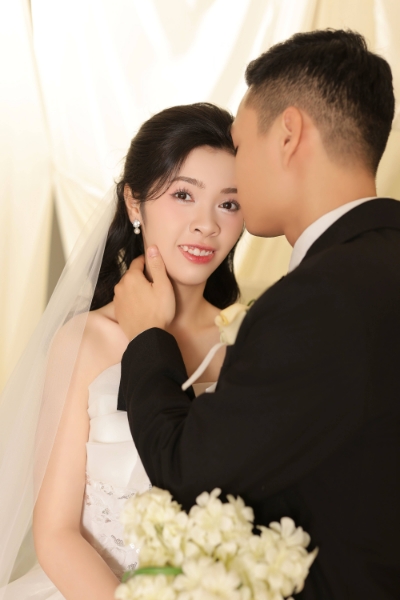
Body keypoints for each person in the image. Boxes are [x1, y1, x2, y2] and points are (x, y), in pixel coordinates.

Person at [114, 30, 400, 599]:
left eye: (241, 149)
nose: (235, 190)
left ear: (288, 135)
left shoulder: (319, 297)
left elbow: (191, 471)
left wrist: (147, 335)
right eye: (184, 194)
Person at [0, 103, 244, 600]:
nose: (206, 225)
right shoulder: (85, 340)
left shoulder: (249, 342)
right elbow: (55, 533)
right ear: (134, 204)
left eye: (229, 204)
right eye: (183, 195)